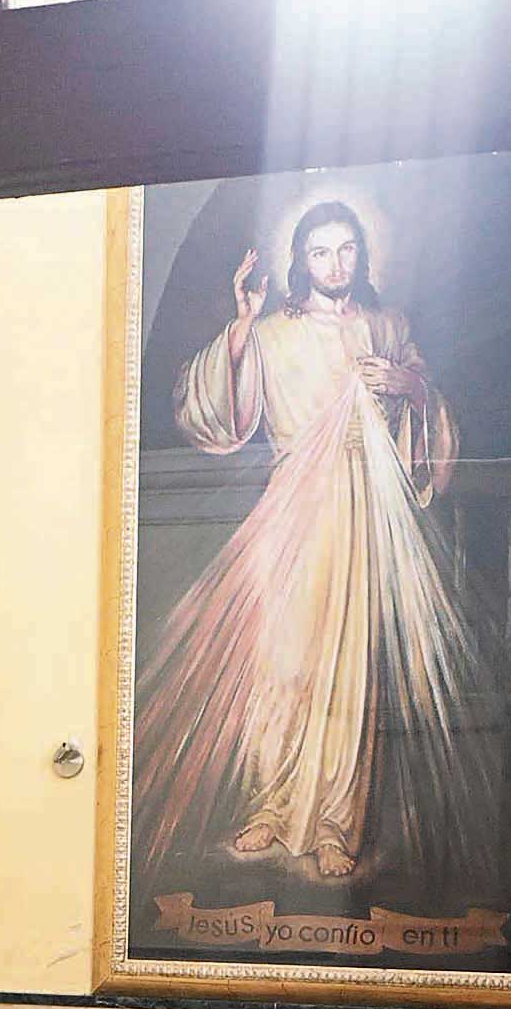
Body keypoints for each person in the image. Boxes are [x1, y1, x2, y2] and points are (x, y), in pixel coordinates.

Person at [132, 199, 483, 887]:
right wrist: (238, 326)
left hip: (361, 512)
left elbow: (432, 428)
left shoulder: (388, 327)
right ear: (301, 259)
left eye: (346, 249)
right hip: (291, 509)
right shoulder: (268, 332)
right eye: (321, 252)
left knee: (347, 672)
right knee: (280, 663)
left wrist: (412, 387)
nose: (335, 264)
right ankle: (270, 803)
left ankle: (333, 823)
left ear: (363, 254)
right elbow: (217, 417)